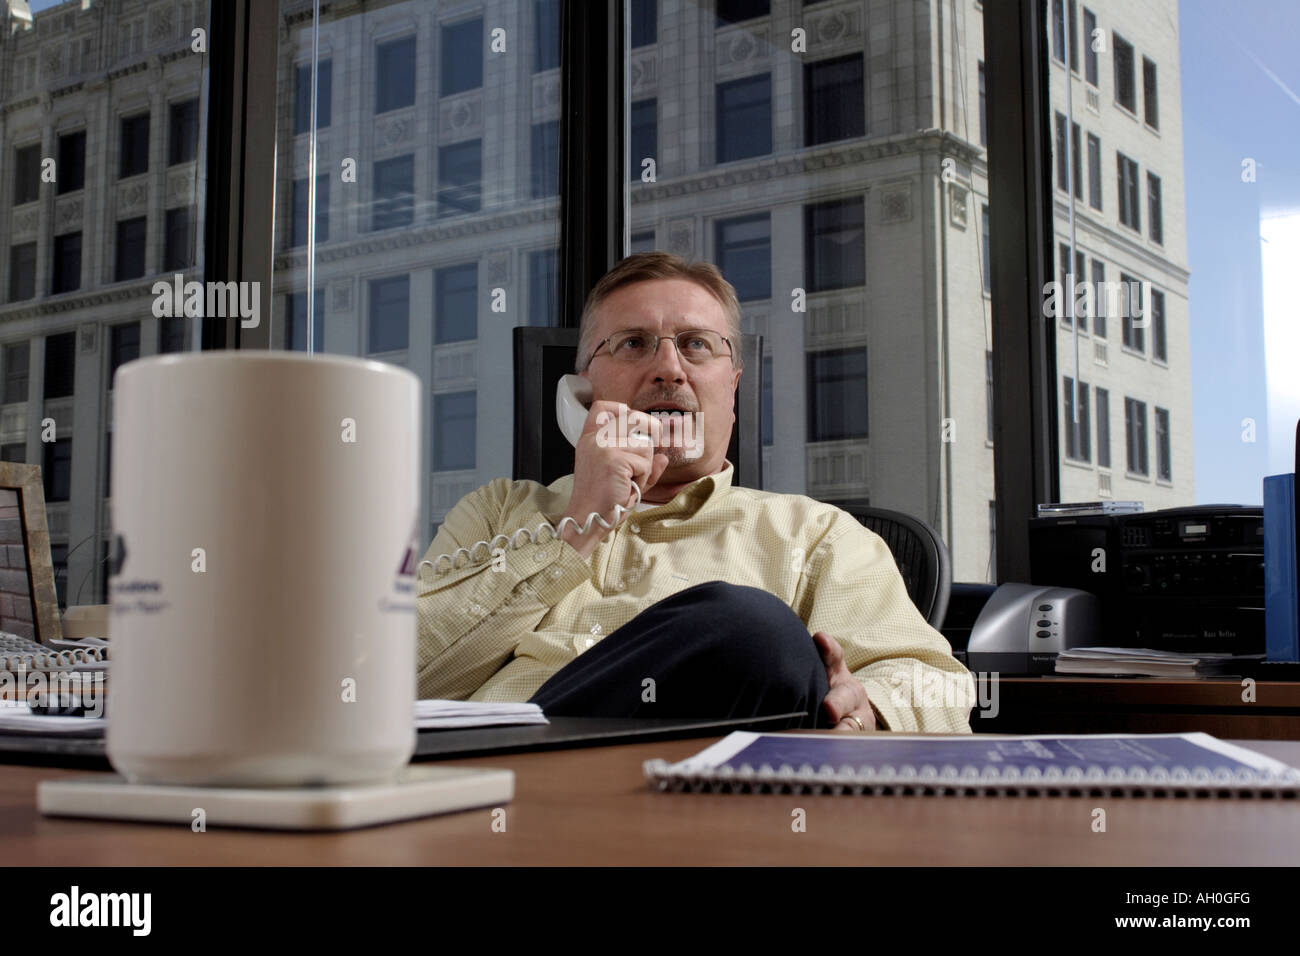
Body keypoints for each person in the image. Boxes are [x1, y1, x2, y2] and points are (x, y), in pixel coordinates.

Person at [416, 252, 972, 733]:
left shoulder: (816, 534)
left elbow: (937, 685)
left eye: (697, 345)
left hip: (715, 805)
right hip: (500, 783)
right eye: (633, 344)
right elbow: (398, 678)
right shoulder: (497, 511)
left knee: (749, 628)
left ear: (732, 388)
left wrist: (870, 709)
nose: (668, 369)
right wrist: (579, 526)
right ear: (581, 387)